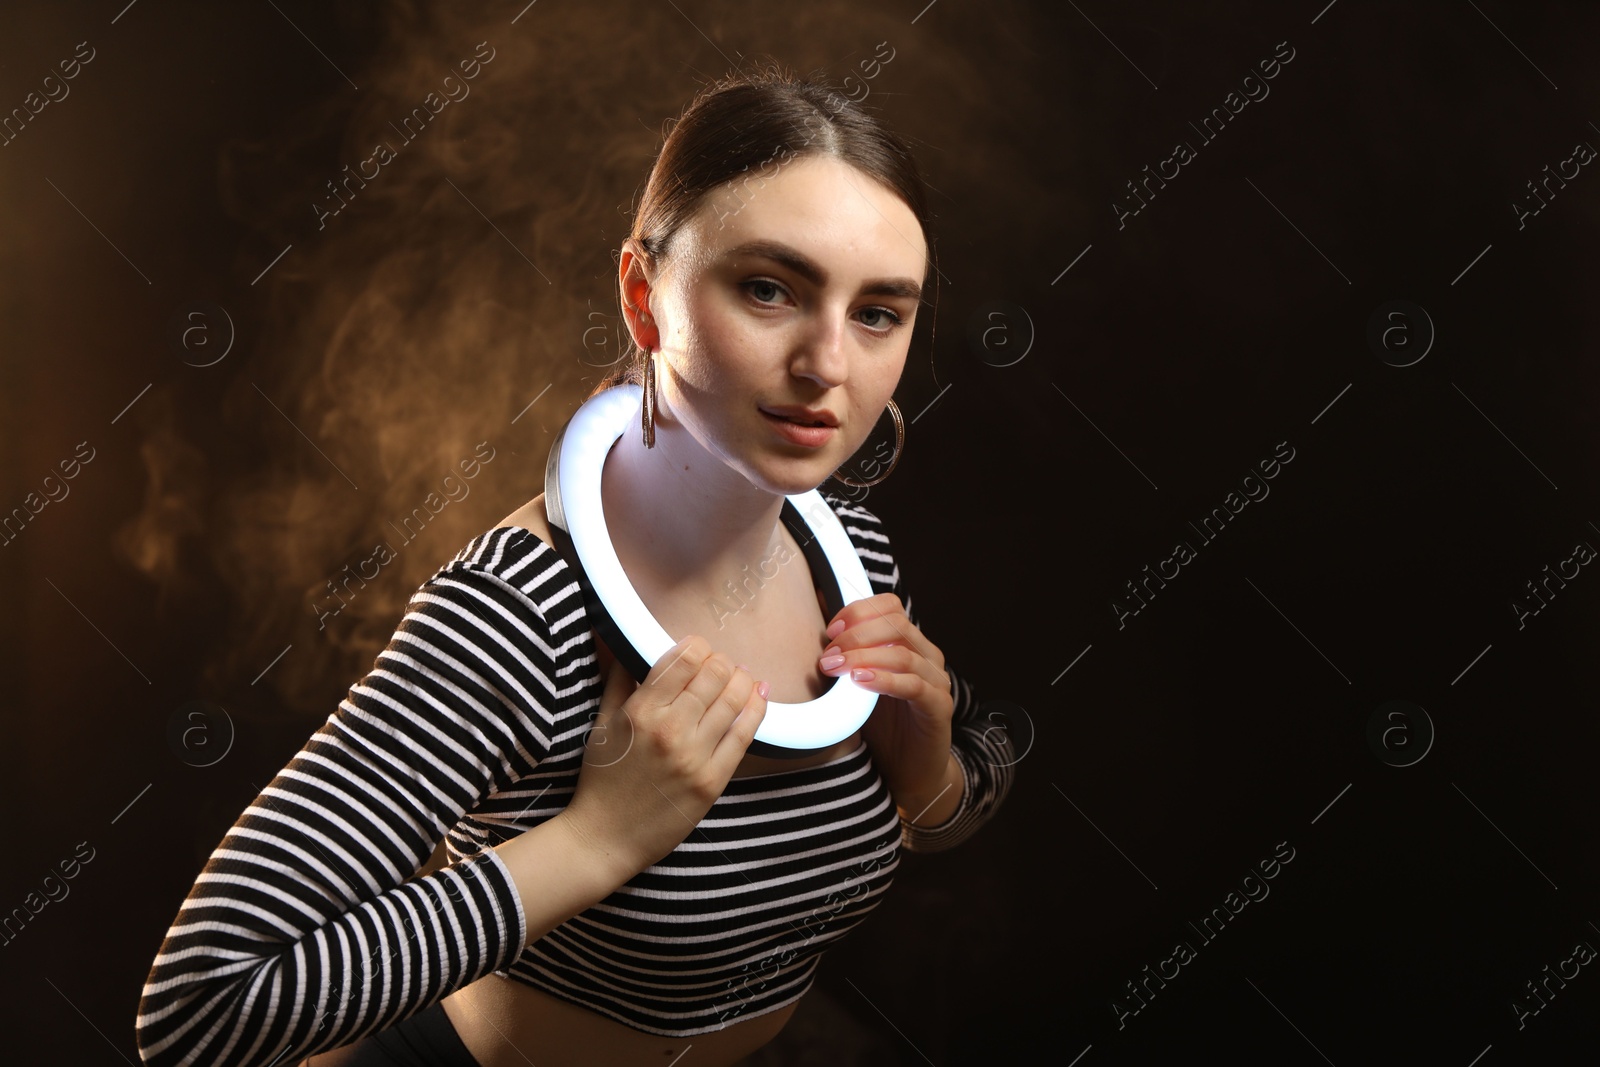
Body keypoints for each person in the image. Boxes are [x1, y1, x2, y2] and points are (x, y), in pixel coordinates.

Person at [135, 65, 1015, 1067]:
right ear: (644, 297)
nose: (827, 364)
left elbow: (961, 798)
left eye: (876, 313)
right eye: (769, 288)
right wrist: (596, 839)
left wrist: (931, 770)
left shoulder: (850, 549)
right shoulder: (520, 613)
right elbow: (199, 1007)